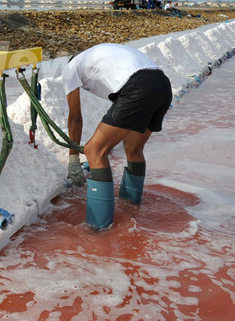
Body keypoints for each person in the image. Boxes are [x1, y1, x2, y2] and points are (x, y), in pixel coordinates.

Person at [63, 44, 173, 230]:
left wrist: (73, 158)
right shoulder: (103, 55)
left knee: (94, 150)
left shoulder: (70, 69)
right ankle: (131, 206)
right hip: (162, 85)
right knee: (133, 148)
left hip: (138, 86)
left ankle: (99, 227)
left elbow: (75, 118)